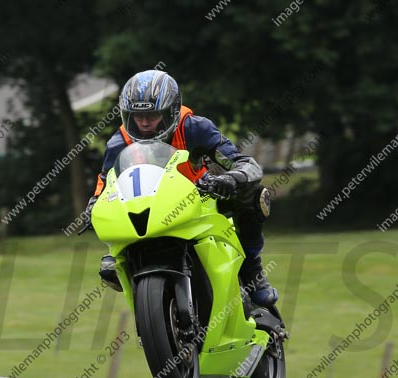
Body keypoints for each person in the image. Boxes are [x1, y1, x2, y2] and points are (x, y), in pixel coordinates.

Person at [84, 69, 278, 306]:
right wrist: (93, 205)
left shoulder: (195, 128)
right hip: (148, 207)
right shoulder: (119, 141)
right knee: (108, 262)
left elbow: (245, 163)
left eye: (153, 115)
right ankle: (121, 259)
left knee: (254, 195)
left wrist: (232, 179)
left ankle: (252, 270)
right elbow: (107, 181)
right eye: (137, 116)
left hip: (201, 198)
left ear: (171, 112)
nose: (144, 123)